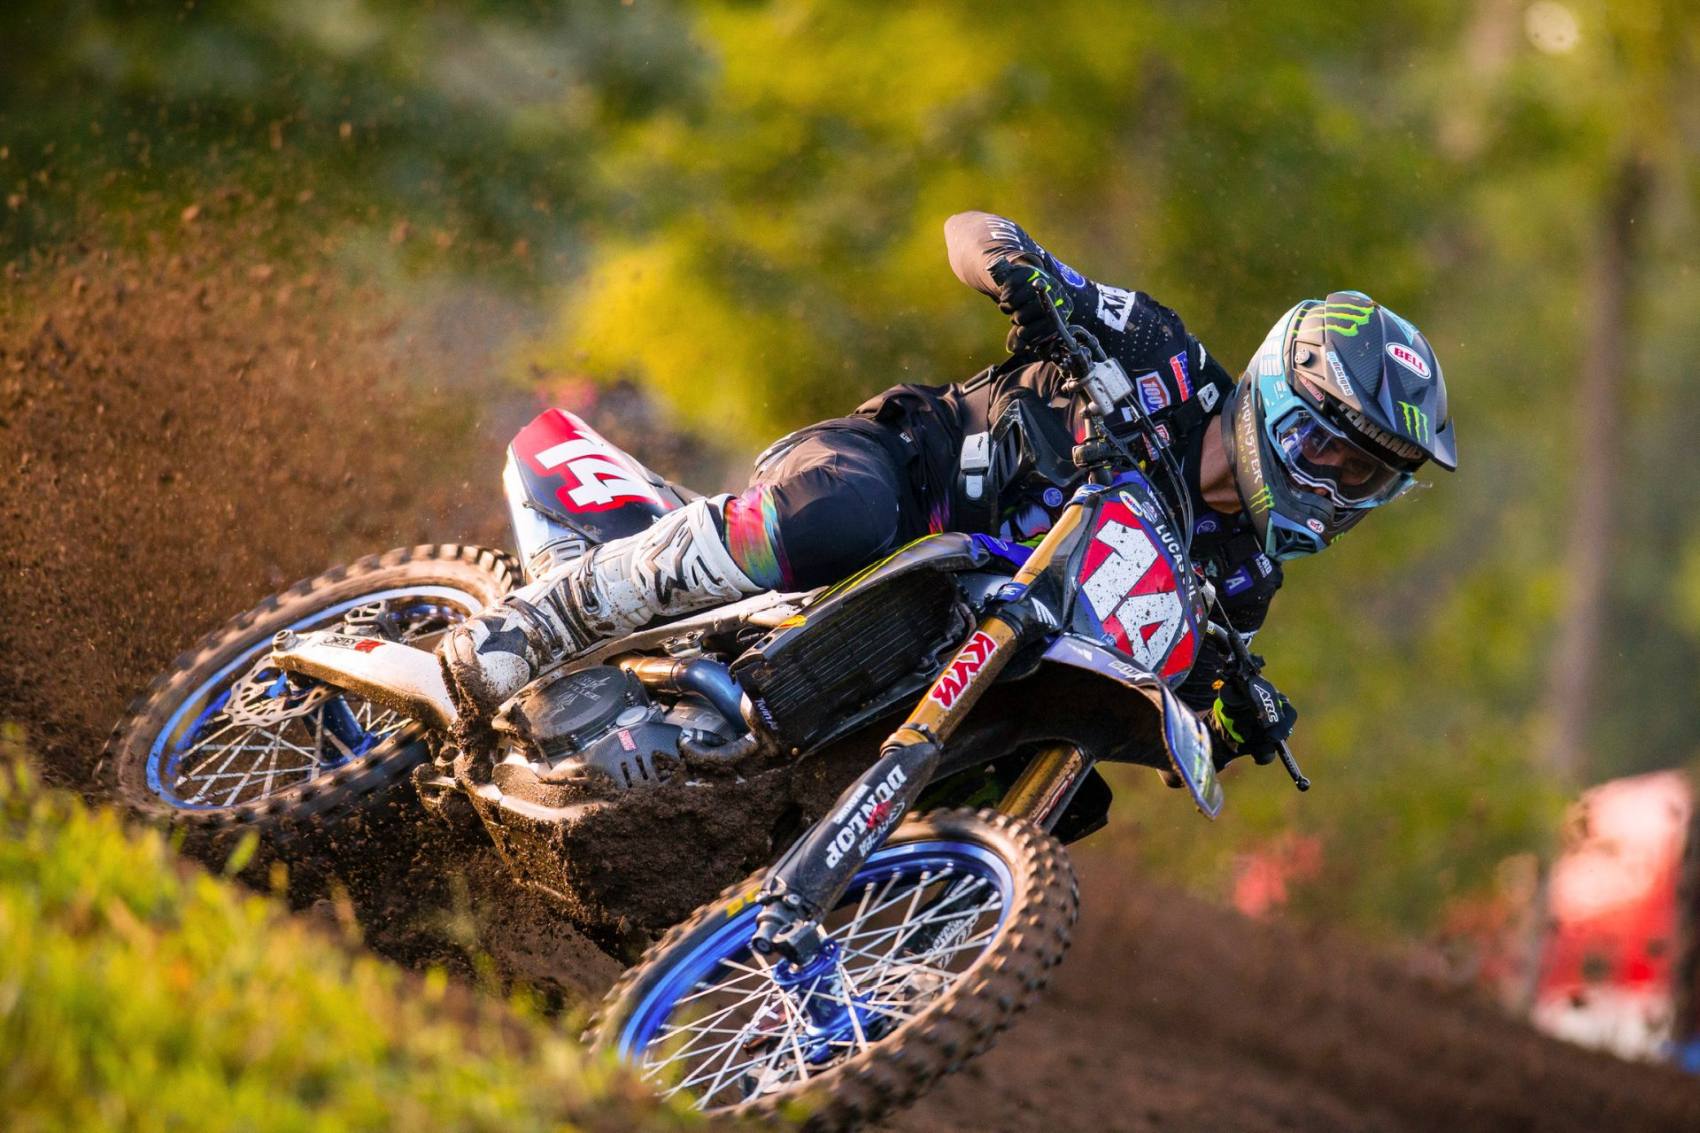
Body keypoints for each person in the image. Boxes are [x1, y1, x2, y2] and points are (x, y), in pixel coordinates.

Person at [440, 211, 1456, 764]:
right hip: (902, 480)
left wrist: (1227, 718)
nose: (1336, 487)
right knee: (842, 513)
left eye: (1365, 477)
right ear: (1279, 393)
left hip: (958, 642)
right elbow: (969, 226)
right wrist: (1016, 269)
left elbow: (1165, 693)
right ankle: (543, 618)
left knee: (1054, 766)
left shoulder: (1238, 581)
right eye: (1331, 452)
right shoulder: (1162, 356)